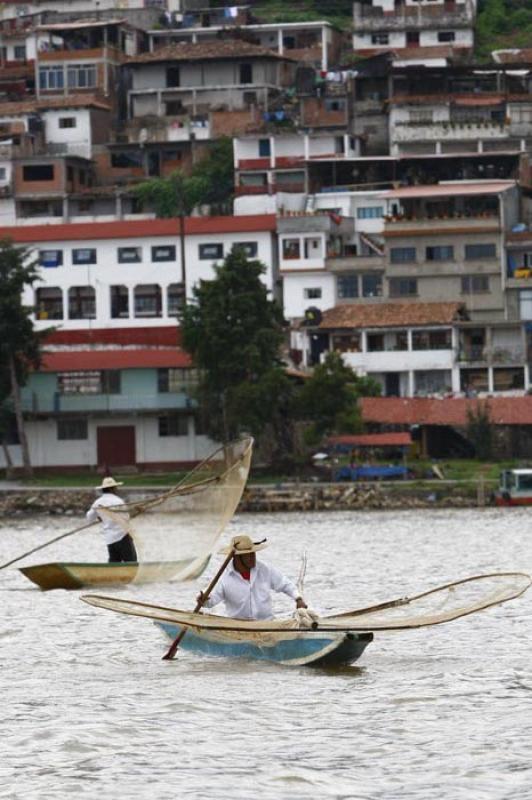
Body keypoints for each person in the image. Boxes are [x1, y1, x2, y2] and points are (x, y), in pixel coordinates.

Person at [197, 534, 307, 620]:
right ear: (237, 558)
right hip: (237, 626)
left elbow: (285, 584)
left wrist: (298, 598)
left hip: (266, 623)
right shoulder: (224, 577)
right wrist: (203, 599)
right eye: (247, 555)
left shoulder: (264, 569)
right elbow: (211, 600)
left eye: (252, 553)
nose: (252, 557)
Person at [86, 477, 137, 563]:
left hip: (110, 538)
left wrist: (101, 517)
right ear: (112, 489)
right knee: (131, 562)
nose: (117, 489)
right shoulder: (118, 501)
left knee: (114, 562)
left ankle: (110, 575)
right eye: (115, 487)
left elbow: (89, 518)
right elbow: (126, 518)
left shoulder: (98, 503)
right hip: (123, 536)